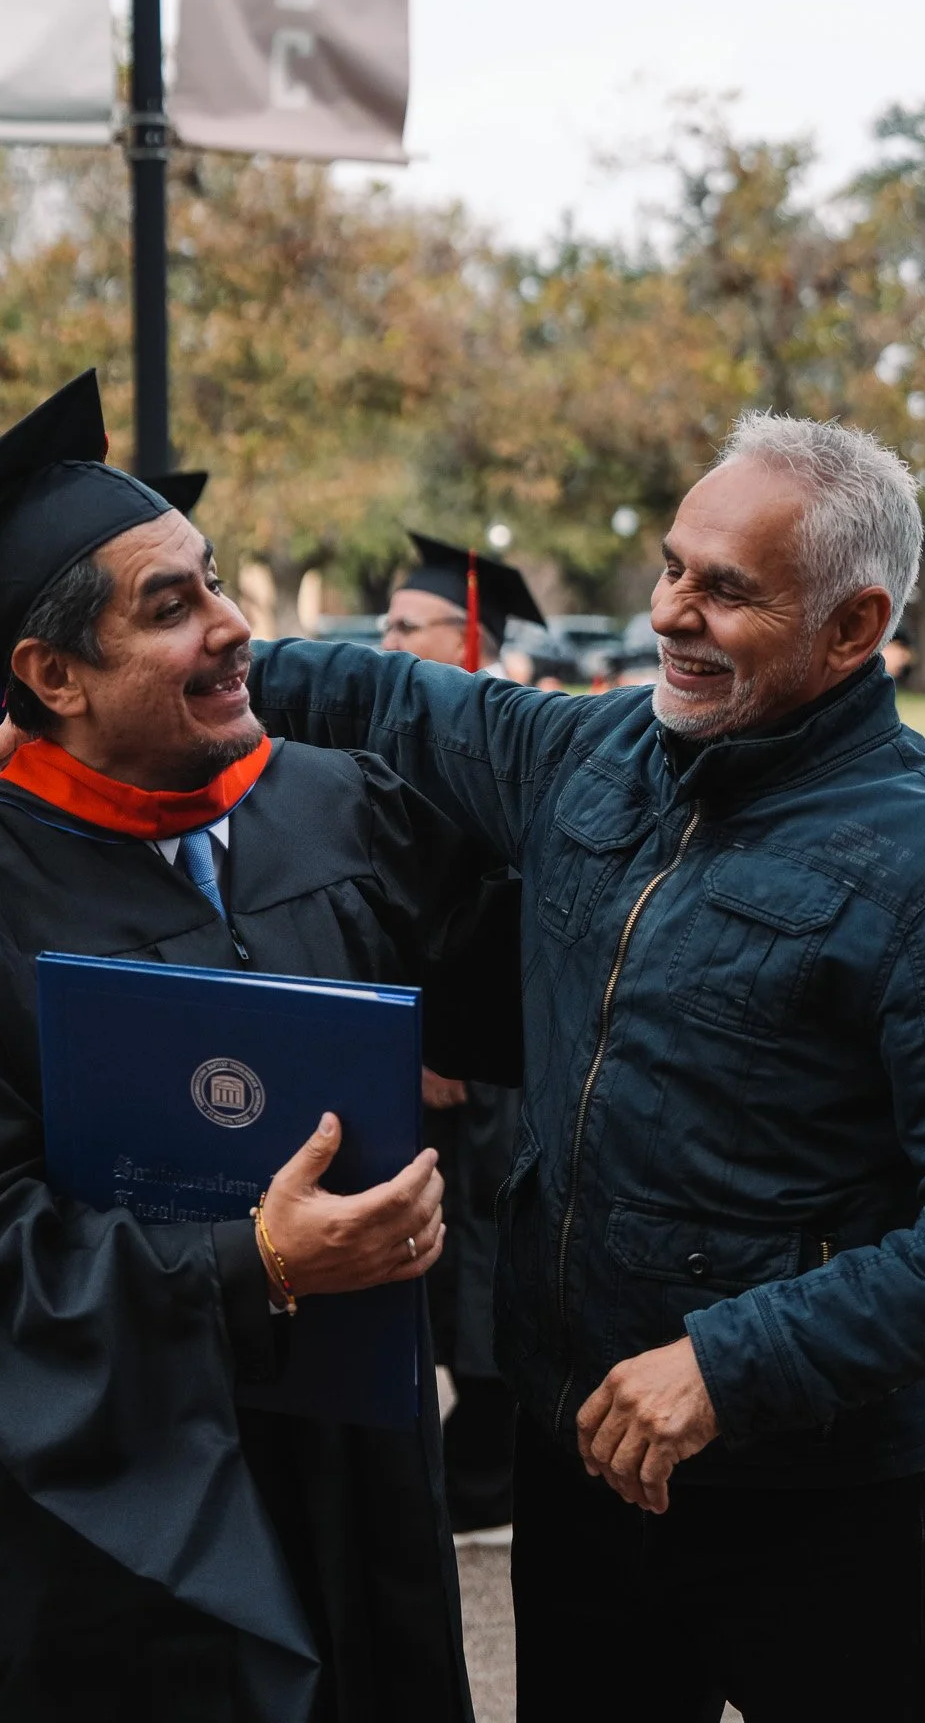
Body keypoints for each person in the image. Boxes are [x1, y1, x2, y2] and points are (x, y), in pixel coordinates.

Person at [231, 412, 925, 1722]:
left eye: (726, 588)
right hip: (576, 1466)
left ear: (853, 628)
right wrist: (156, 682)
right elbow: (386, 700)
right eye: (674, 567)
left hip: (821, 1510)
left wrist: (731, 1365)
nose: (671, 613)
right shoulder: (594, 758)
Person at [0, 373, 477, 1723]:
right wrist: (244, 1264)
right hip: (113, 1505)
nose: (233, 623)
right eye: (172, 605)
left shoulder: (337, 810)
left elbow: (502, 998)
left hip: (348, 1451)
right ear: (51, 677)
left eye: (212, 580)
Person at [383, 532, 536, 1539]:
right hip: (432, 1055)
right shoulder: (401, 731)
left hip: (492, 1064)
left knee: (484, 1255)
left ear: (466, 633)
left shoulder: (517, 739)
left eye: (407, 624)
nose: (387, 639)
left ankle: (488, 1473)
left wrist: (442, 1036)